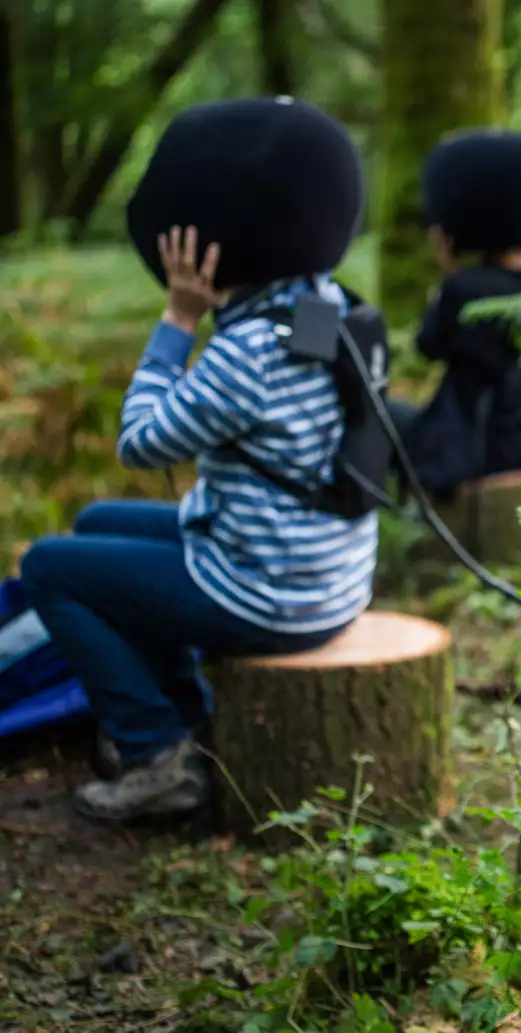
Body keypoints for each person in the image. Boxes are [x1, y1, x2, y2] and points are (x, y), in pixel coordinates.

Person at [17, 96, 378, 823]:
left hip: (266, 592)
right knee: (96, 522)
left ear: (196, 244)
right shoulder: (327, 305)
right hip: (324, 574)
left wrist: (178, 320)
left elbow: (141, 442)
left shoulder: (246, 352)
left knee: (50, 568)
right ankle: (188, 716)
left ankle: (156, 754)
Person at [389, 129, 521, 501]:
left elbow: (428, 347)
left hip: (472, 446)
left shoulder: (463, 291)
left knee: (380, 414)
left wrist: (448, 268)